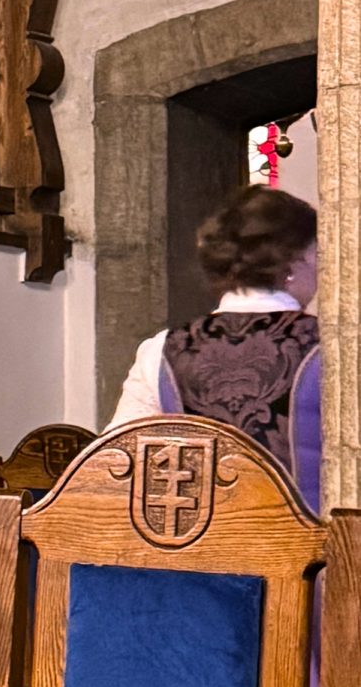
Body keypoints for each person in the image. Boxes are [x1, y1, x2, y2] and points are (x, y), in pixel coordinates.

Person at [111, 185, 320, 498]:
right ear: (294, 262)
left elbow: (114, 462)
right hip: (319, 544)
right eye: (318, 254)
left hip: (199, 545)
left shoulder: (162, 350)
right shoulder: (336, 348)